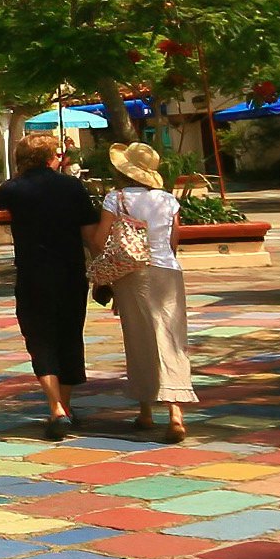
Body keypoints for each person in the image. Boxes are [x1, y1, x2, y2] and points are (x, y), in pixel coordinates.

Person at [0, 132, 101, 436]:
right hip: (70, 273)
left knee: (39, 339)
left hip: (33, 274)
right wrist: (103, 272)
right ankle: (65, 407)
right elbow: (91, 233)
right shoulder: (72, 186)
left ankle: (55, 408)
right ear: (51, 157)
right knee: (69, 335)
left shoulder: (14, 188)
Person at [100, 141, 194, 440]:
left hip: (132, 274)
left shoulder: (115, 199)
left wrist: (104, 277)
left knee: (139, 338)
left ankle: (146, 410)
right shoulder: (168, 200)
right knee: (172, 338)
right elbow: (174, 239)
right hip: (168, 271)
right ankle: (176, 412)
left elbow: (103, 239)